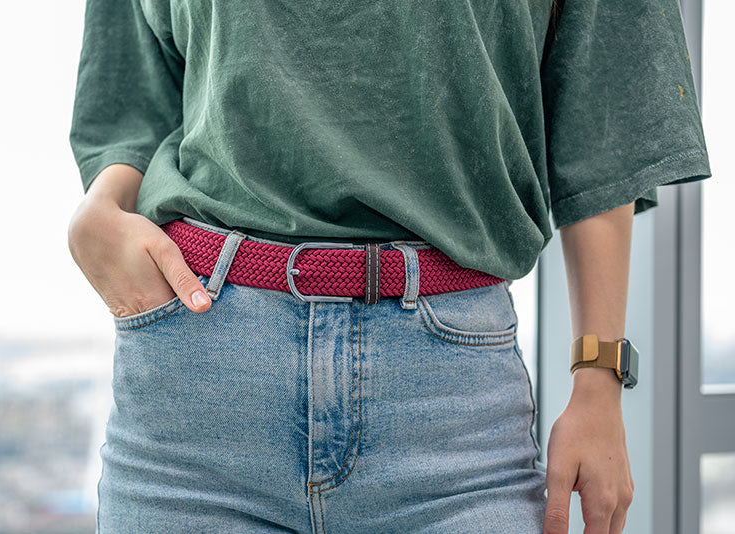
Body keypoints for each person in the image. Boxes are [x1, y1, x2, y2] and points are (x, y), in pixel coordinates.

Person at [67, 0, 712, 532]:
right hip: (198, 399)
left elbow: (605, 114)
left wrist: (599, 382)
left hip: (452, 420)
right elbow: (130, 99)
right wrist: (99, 209)